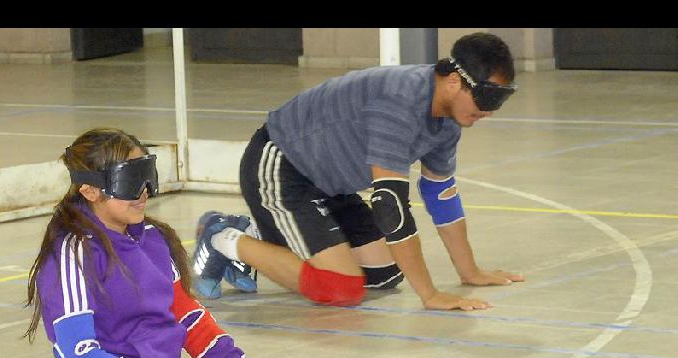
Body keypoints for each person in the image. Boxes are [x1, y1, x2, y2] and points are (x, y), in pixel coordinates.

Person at [15, 128, 301, 358]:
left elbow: (187, 317)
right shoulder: (73, 253)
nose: (144, 191)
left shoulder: (150, 238)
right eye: (131, 180)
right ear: (89, 190)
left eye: (147, 175)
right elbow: (79, 357)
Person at [192, 32, 524, 310]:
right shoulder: (401, 103)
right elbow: (390, 207)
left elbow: (441, 194)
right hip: (283, 168)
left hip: (329, 185)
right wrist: (430, 294)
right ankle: (222, 236)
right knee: (342, 288)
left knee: (384, 276)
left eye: (500, 100)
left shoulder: (447, 122)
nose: (490, 111)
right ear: (454, 81)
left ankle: (263, 232)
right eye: (487, 97)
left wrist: (469, 271)